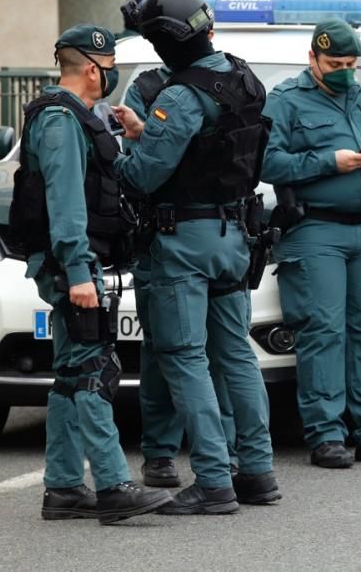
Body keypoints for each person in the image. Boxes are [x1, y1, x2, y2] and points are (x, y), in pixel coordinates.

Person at [113, 0, 278, 513]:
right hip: (234, 235)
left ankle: (213, 481)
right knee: (235, 357)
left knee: (185, 358)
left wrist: (116, 150)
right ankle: (256, 471)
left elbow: (142, 175)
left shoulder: (180, 95)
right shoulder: (244, 76)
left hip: (184, 239)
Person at [9, 24, 172, 524]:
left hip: (70, 262)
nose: (112, 75)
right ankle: (114, 486)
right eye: (109, 66)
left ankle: (62, 489)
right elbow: (65, 204)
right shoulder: (60, 119)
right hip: (70, 265)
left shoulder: (77, 116)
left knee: (68, 377)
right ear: (91, 68)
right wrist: (79, 271)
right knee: (95, 370)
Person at [262, 18, 361, 469]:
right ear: (313, 59)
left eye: (351, 63)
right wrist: (330, 162)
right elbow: (268, 162)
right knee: (323, 330)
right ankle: (326, 433)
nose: (344, 71)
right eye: (334, 63)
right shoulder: (286, 103)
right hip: (315, 230)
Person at [123, 60, 239, 489]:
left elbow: (140, 170)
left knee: (213, 354)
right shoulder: (150, 86)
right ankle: (162, 454)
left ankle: (223, 458)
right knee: (164, 350)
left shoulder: (229, 82)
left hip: (202, 235)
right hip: (167, 235)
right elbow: (141, 160)